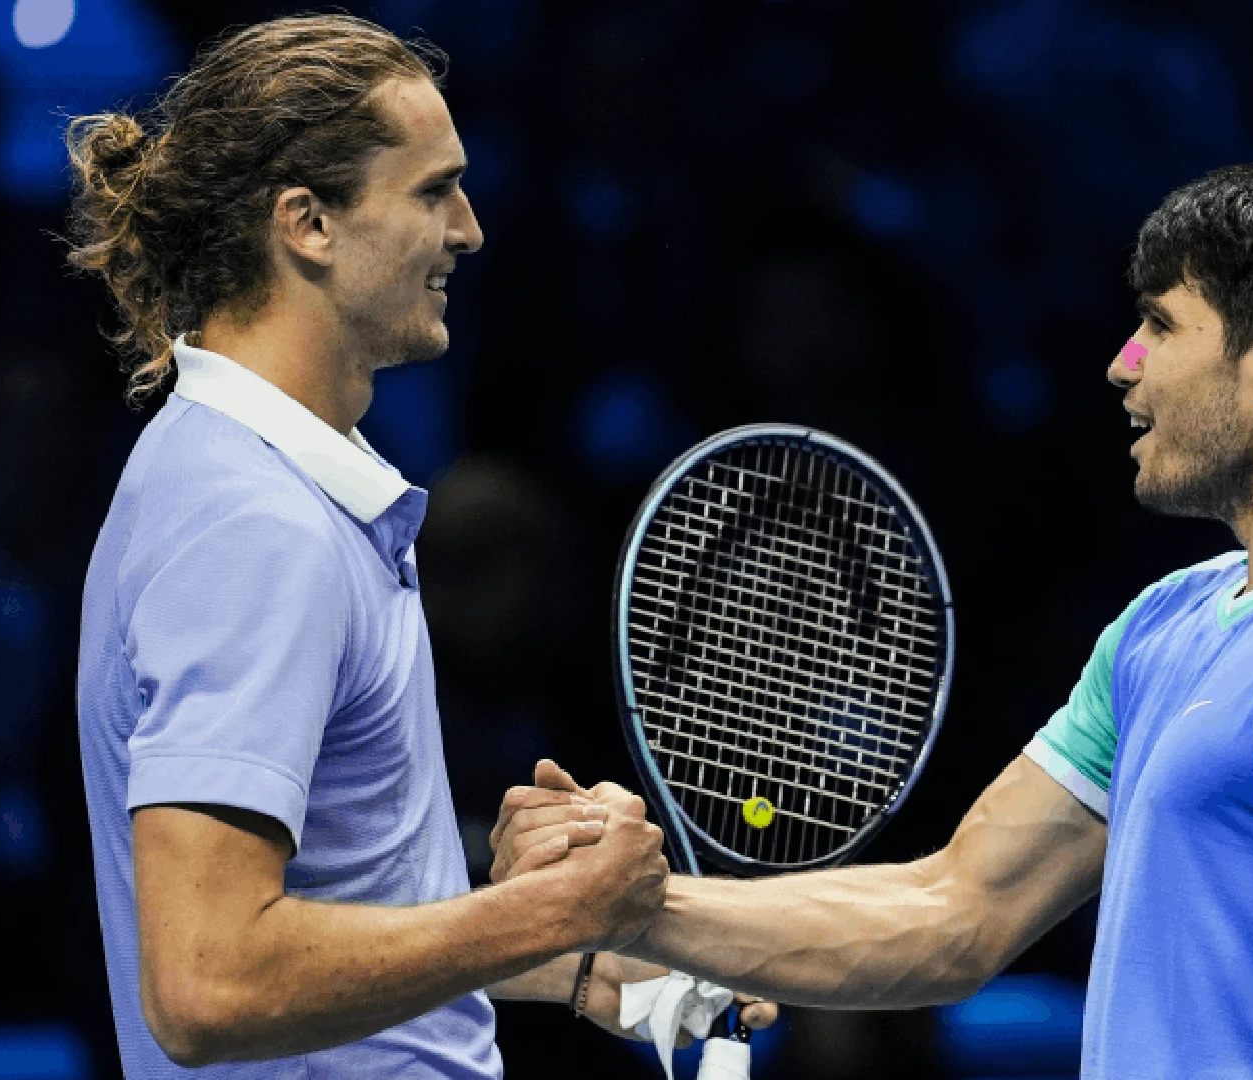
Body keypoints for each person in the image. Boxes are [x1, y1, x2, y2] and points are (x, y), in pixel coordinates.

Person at [496, 157, 1253, 1080]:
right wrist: (639, 904)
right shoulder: (1170, 621)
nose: (1122, 363)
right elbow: (955, 910)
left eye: (1161, 324)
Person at [68, 15, 769, 1077]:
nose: (471, 229)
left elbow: (325, 915)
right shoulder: (255, 524)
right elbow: (209, 982)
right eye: (433, 190)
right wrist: (544, 912)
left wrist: (567, 959)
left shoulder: (265, 484)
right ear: (308, 223)